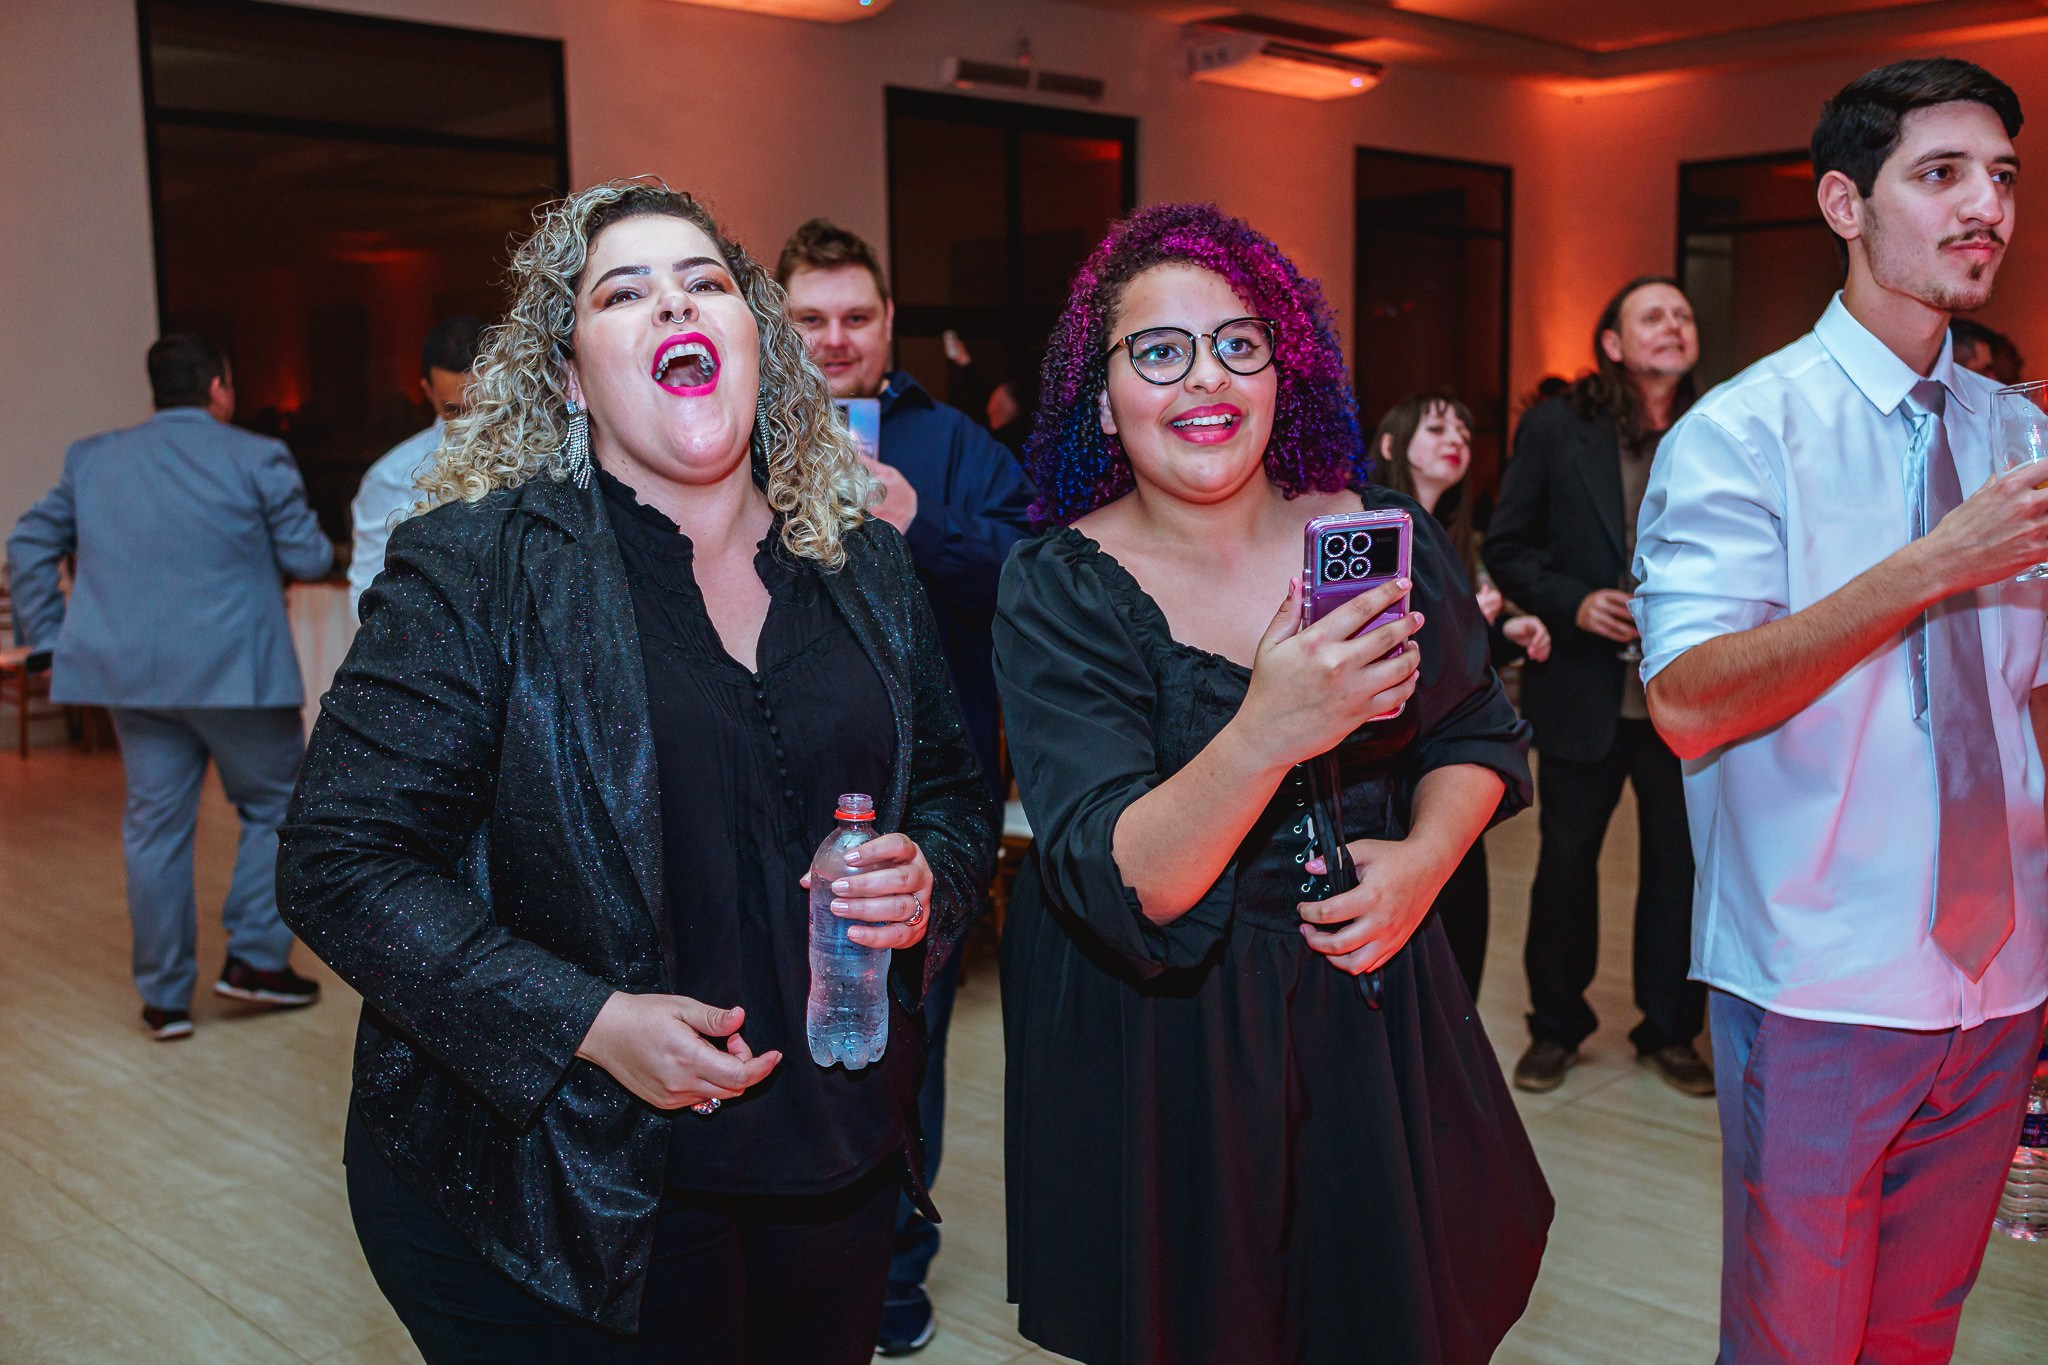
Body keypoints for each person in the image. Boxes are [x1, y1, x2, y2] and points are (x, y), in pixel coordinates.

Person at [275, 180, 995, 1363]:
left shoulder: (863, 566)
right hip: (565, 1182)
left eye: (706, 284)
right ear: (567, 374)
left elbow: (956, 797)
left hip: (834, 1157)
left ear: (755, 339)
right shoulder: (478, 568)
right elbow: (336, 865)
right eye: (624, 293)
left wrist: (930, 882)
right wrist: (590, 1023)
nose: (675, 306)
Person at [994, 201, 1551, 1365]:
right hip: (1168, 1054)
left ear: (1281, 373)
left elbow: (1475, 732)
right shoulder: (1058, 584)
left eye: (1239, 343)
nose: (1205, 376)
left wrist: (1420, 863)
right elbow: (1120, 880)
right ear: (1101, 399)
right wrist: (1269, 727)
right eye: (1159, 350)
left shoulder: (1375, 527)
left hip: (1369, 1013)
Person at [1637, 58, 2048, 1362]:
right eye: (1942, 175)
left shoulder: (2017, 436)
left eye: (2004, 178)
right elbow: (1690, 703)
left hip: (2002, 975)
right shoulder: (1743, 433)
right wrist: (1933, 561)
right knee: (1795, 1336)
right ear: (1842, 204)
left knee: (1921, 1324)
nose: (1985, 206)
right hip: (1819, 977)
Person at [776, 216, 1033, 1355]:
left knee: (899, 1040)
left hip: (921, 795)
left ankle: (890, 1278)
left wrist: (918, 527)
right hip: (769, 793)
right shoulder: (722, 431)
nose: (834, 340)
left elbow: (1036, 573)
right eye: (808, 319)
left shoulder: (950, 447)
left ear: (887, 324)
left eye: (855, 317)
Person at [7, 334, 331, 1041]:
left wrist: (52, 637)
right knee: (280, 807)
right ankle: (252, 960)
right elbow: (307, 554)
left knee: (155, 828)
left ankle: (164, 999)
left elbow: (28, 540)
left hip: (132, 680)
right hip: (237, 676)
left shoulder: (94, 458)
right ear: (220, 385)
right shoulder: (256, 456)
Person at [1482, 277, 1712, 1097]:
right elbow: (1508, 546)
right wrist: (1575, 602)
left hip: (1684, 688)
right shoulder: (1556, 426)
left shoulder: (1719, 423)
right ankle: (1555, 1025)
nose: (1673, 326)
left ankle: (1672, 1028)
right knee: (1567, 860)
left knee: (1679, 868)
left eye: (1682, 314)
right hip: (1581, 685)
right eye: (1653, 315)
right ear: (1612, 343)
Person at [1373, 391, 1550, 996]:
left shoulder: (1452, 536)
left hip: (1453, 769)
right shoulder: (1368, 534)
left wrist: (1503, 633)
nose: (1456, 440)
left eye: (1465, 433)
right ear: (1392, 445)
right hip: (1393, 779)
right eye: (1436, 427)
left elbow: (1459, 664)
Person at [347, 314, 486, 617]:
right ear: (428, 392)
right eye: (455, 410)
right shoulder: (390, 477)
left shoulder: (539, 457)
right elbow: (367, 596)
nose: (472, 423)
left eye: (484, 406)